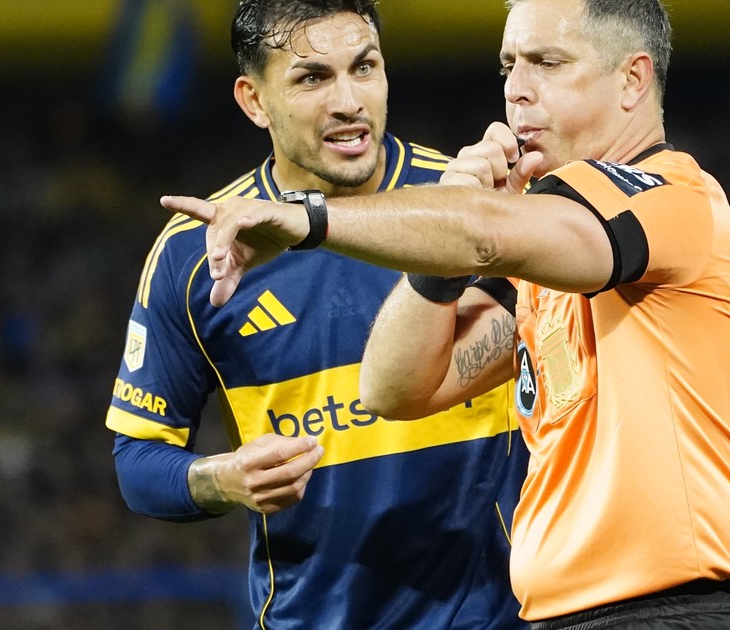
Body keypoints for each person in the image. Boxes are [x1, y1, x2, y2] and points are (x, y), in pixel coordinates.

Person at [161, 0, 730, 628]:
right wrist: (444, 256)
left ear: (632, 79)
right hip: (570, 617)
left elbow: (486, 235)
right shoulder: (548, 272)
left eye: (547, 63)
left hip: (669, 613)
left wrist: (309, 218)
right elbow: (392, 388)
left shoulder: (675, 199)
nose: (516, 90)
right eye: (509, 66)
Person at [106, 1, 529, 628]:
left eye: (364, 67)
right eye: (313, 78)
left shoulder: (472, 209)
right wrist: (223, 479)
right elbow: (138, 462)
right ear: (254, 100)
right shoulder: (197, 253)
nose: (349, 101)